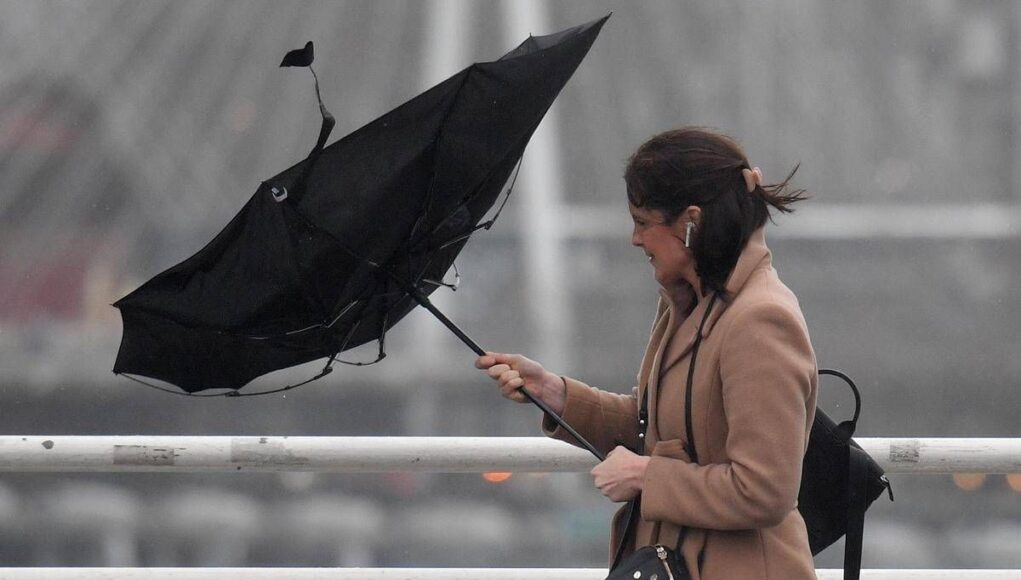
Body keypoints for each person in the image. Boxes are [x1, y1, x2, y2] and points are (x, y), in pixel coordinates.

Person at [476, 127, 818, 580]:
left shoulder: (760, 321)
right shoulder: (687, 303)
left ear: (690, 221)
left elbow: (765, 489)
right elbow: (655, 430)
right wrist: (556, 394)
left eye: (642, 221)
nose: (634, 239)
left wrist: (645, 477)